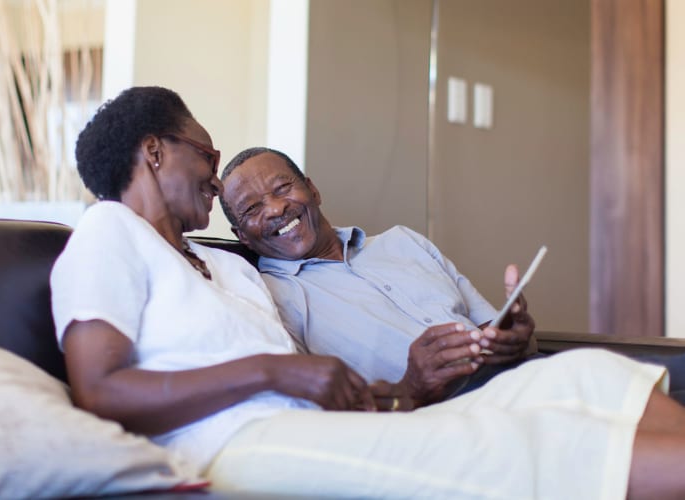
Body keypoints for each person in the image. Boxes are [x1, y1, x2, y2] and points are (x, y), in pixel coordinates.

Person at [52, 86, 685, 499]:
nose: (215, 183)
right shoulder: (109, 231)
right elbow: (99, 391)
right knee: (509, 445)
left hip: (315, 431)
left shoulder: (233, 270)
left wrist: (401, 394)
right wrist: (273, 370)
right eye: (207, 156)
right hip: (233, 449)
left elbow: (327, 386)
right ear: (155, 152)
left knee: (580, 378)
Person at [218, 147, 685, 406]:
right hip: (455, 412)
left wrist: (514, 334)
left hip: (523, 376)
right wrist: (410, 385)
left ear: (312, 189)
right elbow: (316, 412)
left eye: (283, 189)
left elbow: (498, 334)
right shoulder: (268, 299)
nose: (276, 209)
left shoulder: (403, 242)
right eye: (253, 208)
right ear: (241, 233)